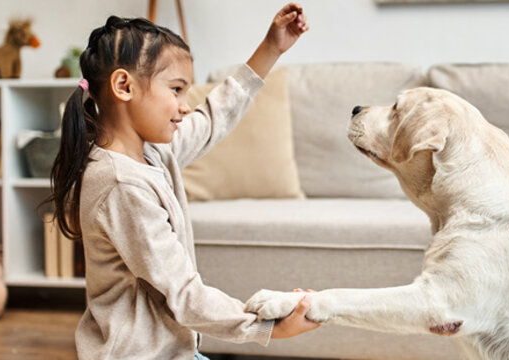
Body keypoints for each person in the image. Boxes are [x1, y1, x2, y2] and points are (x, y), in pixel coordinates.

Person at [45, 4, 316, 359]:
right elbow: (185, 294)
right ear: (124, 86)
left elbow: (212, 118)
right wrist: (268, 326)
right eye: (176, 89)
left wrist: (271, 47)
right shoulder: (121, 185)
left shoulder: (153, 154)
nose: (186, 106)